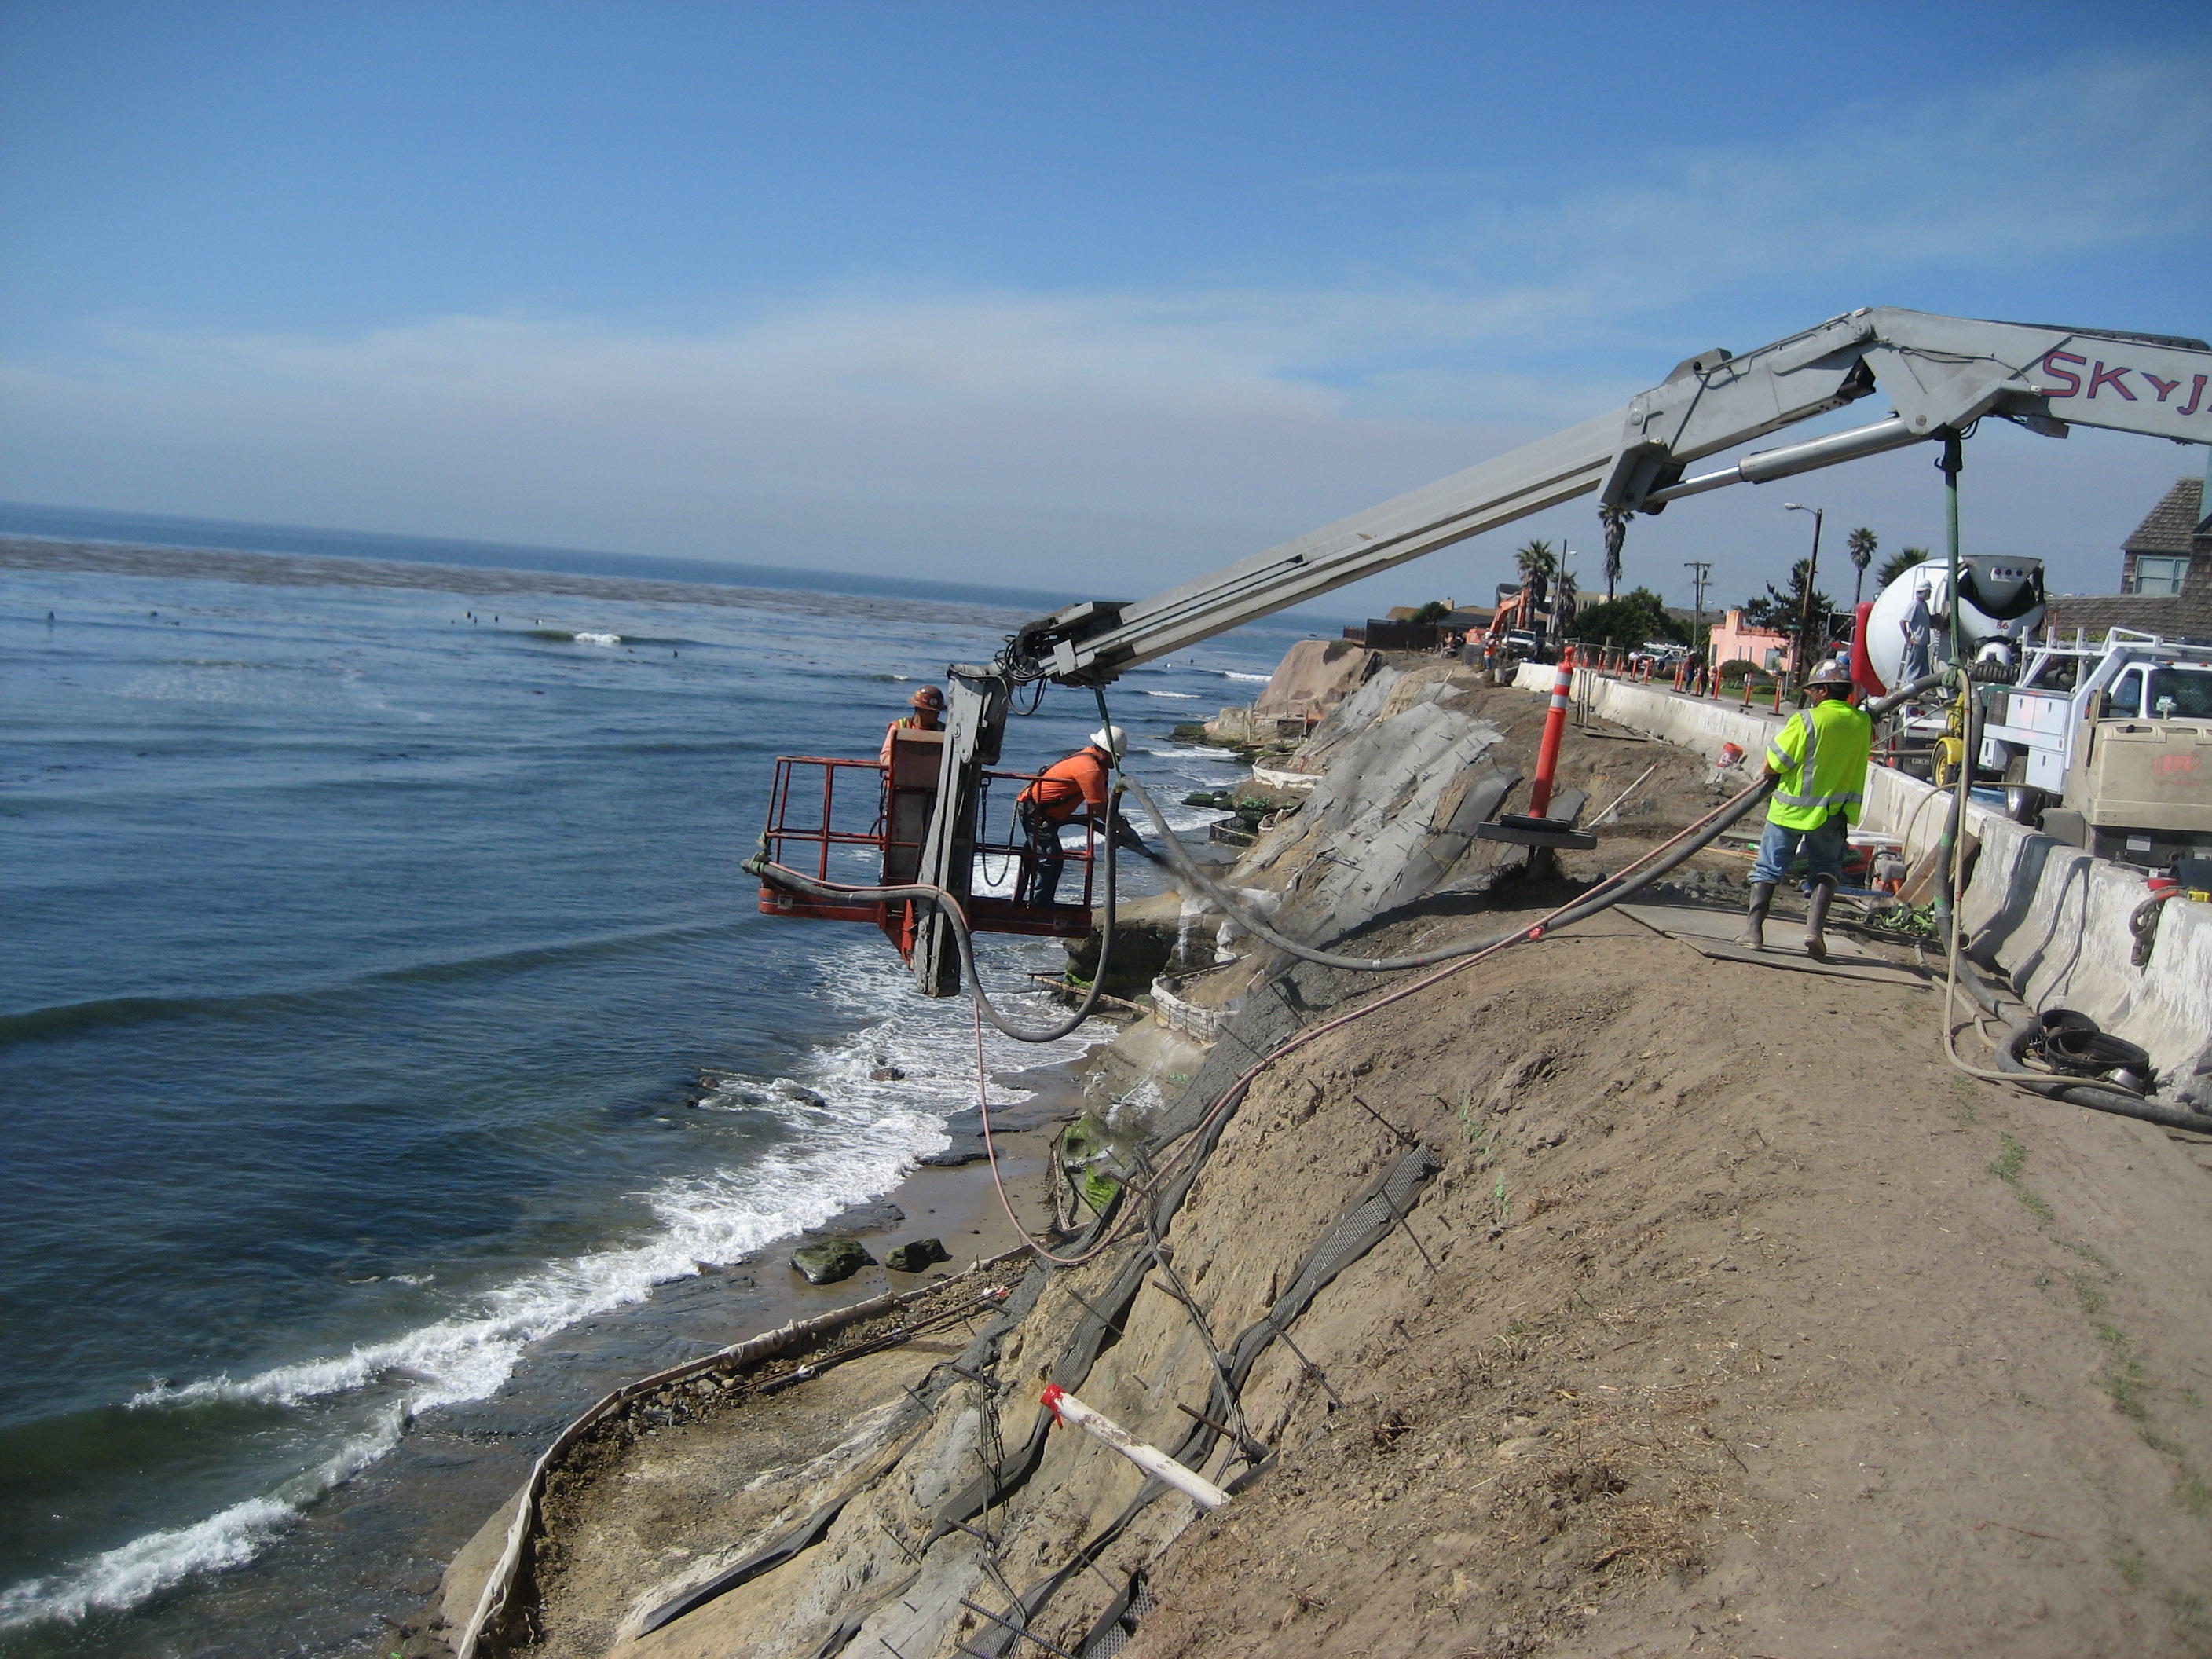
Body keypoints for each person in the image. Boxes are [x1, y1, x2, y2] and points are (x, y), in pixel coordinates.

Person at [1738, 658, 1873, 959]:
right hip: (1833, 814)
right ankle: (1814, 932)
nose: (1810, 696)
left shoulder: (1807, 720)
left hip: (1790, 810)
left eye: (1812, 691)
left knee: (1768, 868)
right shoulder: (1863, 723)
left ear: (1823, 690)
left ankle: (1753, 932)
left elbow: (1774, 763)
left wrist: (1769, 770)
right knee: (1827, 869)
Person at [1016, 727, 1148, 904]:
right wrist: (1123, 830)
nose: (1118, 761)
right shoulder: (1090, 769)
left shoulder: (1095, 763)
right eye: (1116, 756)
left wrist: (1119, 826)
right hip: (1036, 812)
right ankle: (1040, 905)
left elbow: (1102, 806)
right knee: (1051, 859)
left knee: (1042, 854)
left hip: (1050, 813)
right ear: (1105, 751)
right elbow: (1100, 810)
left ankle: (1028, 899)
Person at [880, 685, 946, 765]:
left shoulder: (943, 730)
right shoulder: (899, 726)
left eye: (938, 711)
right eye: (932, 711)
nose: (938, 714)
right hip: (902, 772)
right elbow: (885, 758)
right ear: (920, 710)